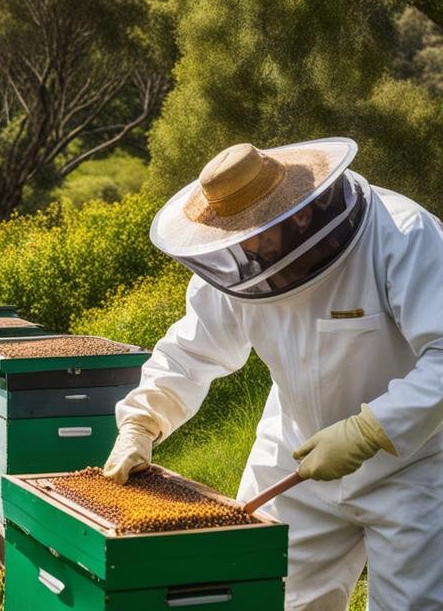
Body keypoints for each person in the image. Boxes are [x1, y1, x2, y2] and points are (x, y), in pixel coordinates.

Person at [102, 139, 443, 610]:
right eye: (230, 232)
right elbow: (189, 351)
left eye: (250, 232)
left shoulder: (403, 235)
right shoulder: (240, 261)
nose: (241, 245)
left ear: (298, 215)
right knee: (276, 599)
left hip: (417, 467)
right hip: (295, 454)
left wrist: (371, 429)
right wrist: (141, 422)